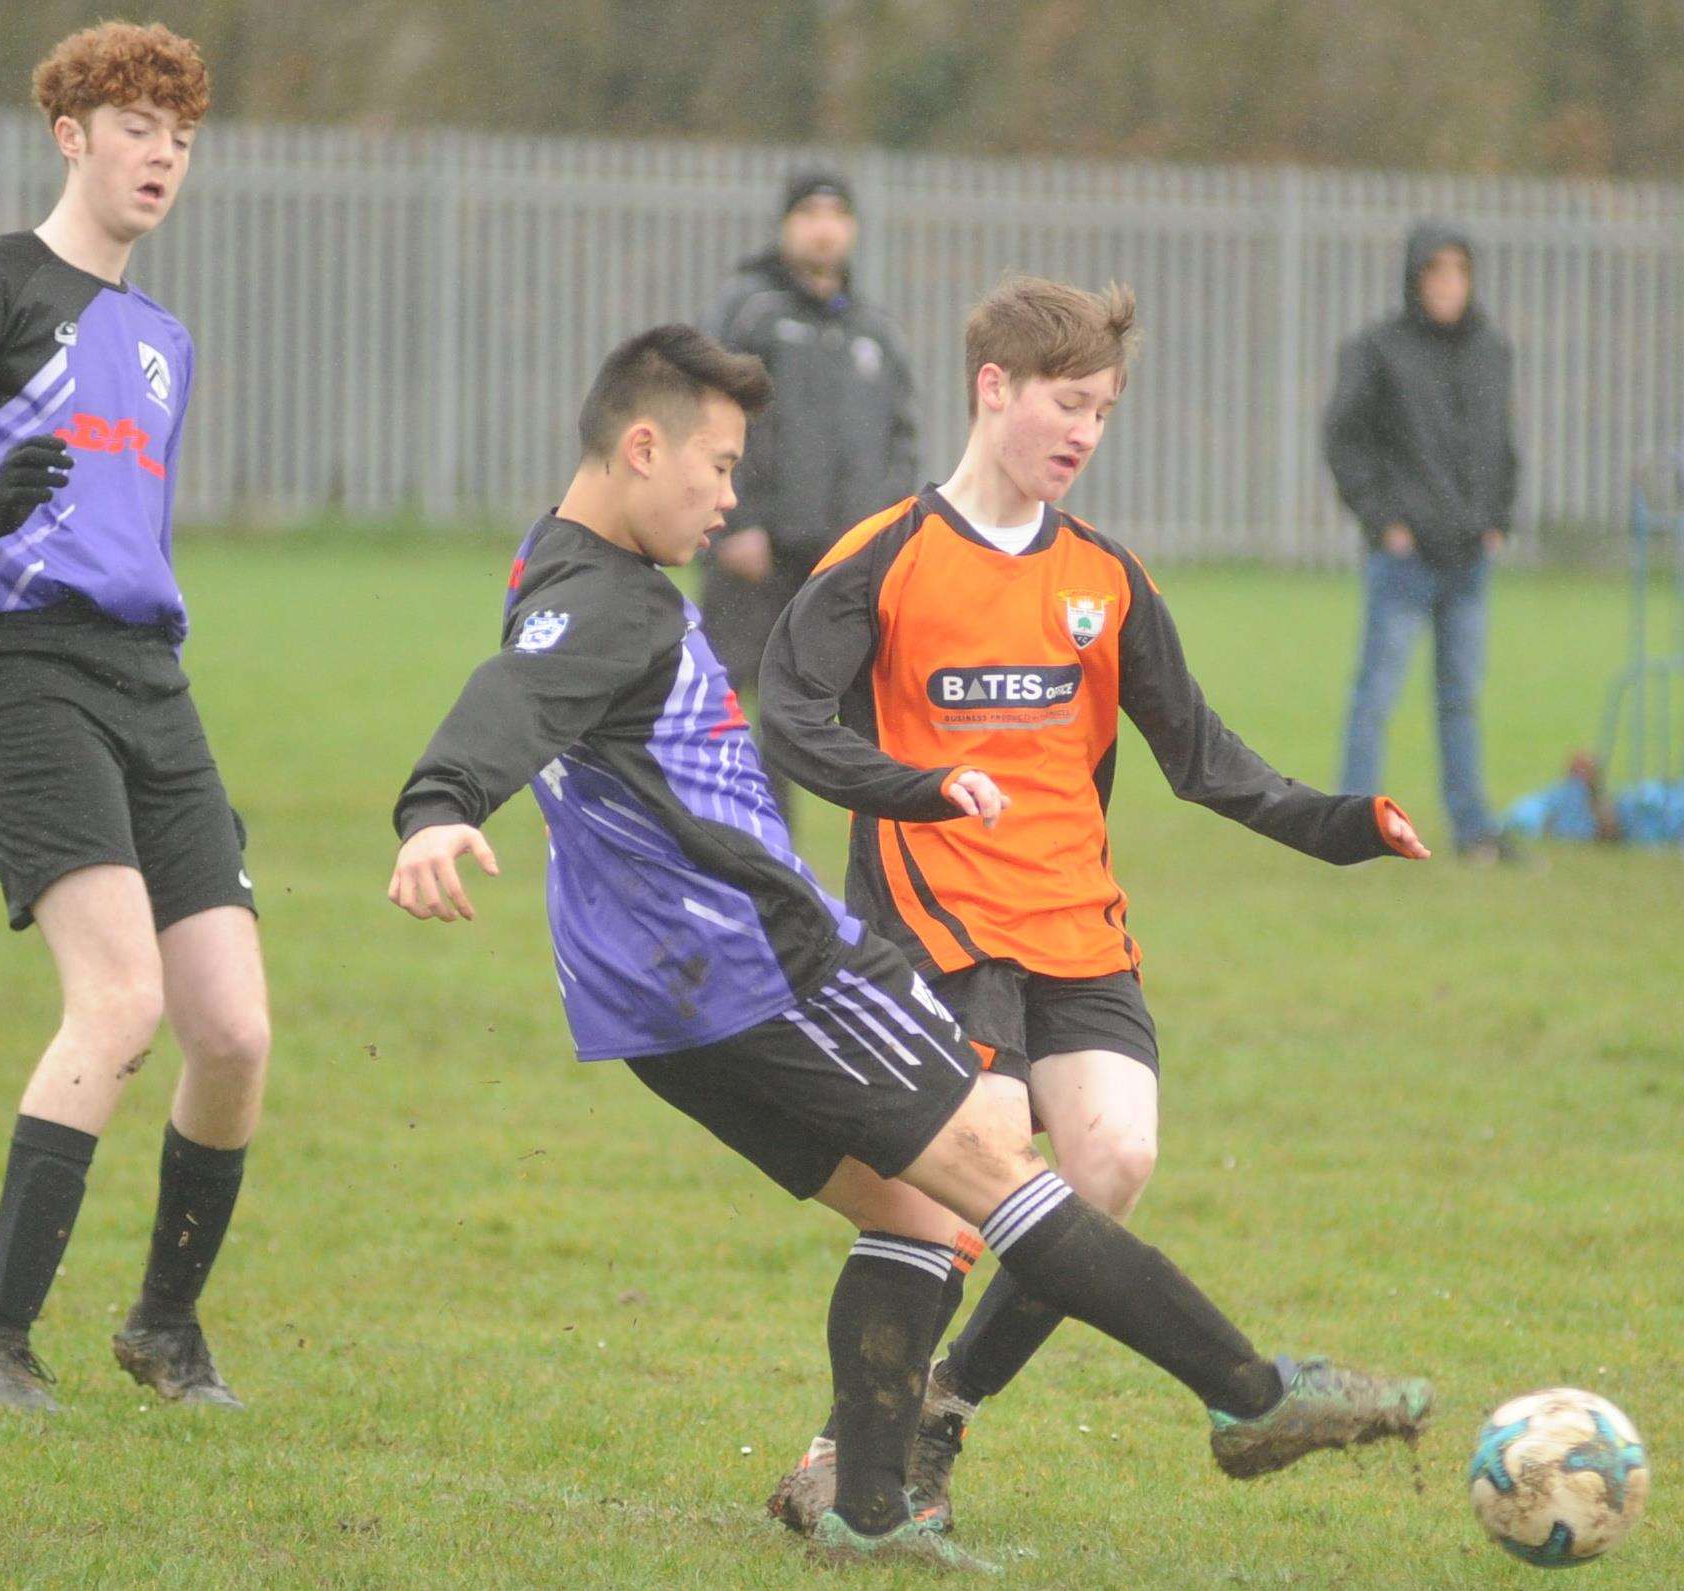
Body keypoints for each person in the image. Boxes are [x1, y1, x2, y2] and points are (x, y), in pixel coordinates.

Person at [389, 323, 1430, 1570]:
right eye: (718, 468)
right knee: (997, 1179)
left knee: (918, 1217)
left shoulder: (553, 563)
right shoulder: (616, 606)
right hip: (764, 965)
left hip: (650, 1005)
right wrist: (442, 800)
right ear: (642, 445)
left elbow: (536, 677)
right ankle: (1253, 1394)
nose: (731, 499)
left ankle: (868, 1512)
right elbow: (518, 696)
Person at [756, 276, 1430, 1533]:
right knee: (985, 1161)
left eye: (1104, 413)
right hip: (939, 923)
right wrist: (915, 788)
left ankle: (940, 1412)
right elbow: (786, 715)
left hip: (1078, 927)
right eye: (1067, 403)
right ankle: (849, 1463)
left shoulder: (1105, 580)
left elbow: (1202, 757)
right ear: (993, 388)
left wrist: (1342, 828)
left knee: (1116, 1154)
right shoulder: (887, 554)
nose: (1084, 432)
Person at [0, 22, 267, 1411]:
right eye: (137, 122)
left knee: (234, 1031)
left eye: (181, 132)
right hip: (23, 675)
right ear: (71, 134)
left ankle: (163, 1327)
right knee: (121, 995)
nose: (162, 152)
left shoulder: (164, 341)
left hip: (151, 686)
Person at [699, 170, 921, 825]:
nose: (823, 227)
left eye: (836, 215)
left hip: (841, 562)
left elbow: (901, 438)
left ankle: (811, 853)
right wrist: (733, 519)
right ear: (785, 225)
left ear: (851, 229)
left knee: (834, 710)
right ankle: (725, 838)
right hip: (756, 554)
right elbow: (707, 415)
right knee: (726, 701)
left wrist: (887, 531)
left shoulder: (873, 331)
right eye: (808, 213)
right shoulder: (748, 313)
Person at [1325, 221, 1520, 862]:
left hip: (1469, 556)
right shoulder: (1378, 351)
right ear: (1415, 278)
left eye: (1459, 271)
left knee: (1461, 698)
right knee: (1375, 696)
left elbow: (1502, 444)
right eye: (1435, 271)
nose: (1448, 285)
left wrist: (1498, 517)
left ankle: (1472, 830)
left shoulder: (1491, 350)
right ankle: (1354, 828)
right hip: (1405, 559)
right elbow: (1345, 440)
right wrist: (1384, 522)